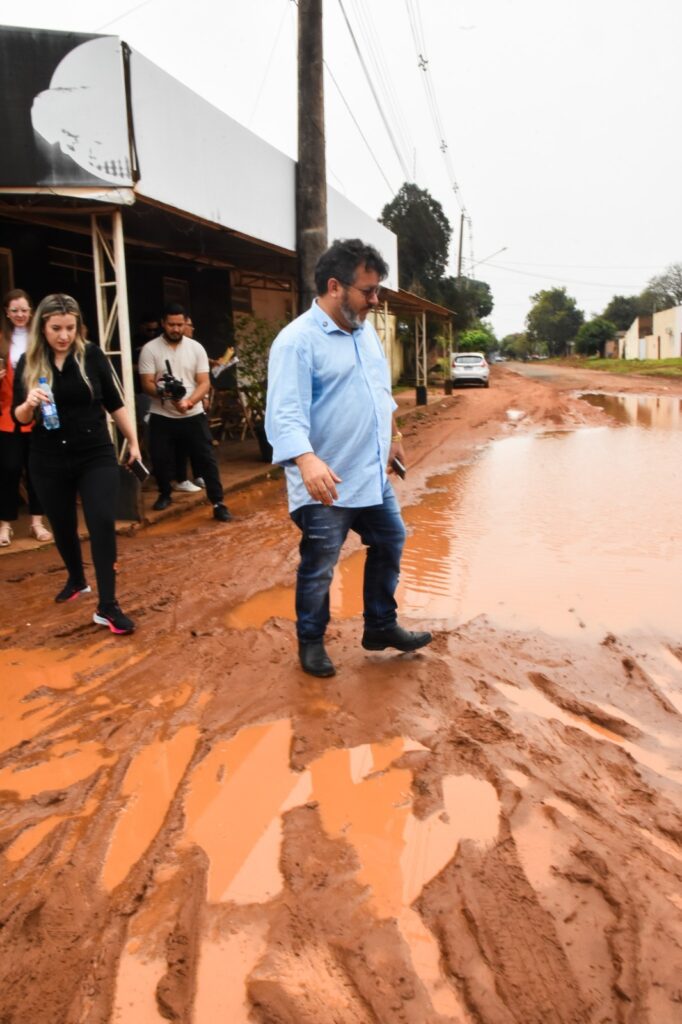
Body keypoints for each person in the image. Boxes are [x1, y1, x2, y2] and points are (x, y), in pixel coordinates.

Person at [265, 238, 432, 677]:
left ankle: (380, 625)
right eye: (368, 291)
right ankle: (311, 641)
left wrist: (394, 434)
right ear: (335, 286)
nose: (375, 300)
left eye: (377, 290)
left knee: (390, 540)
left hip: (371, 476)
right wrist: (305, 459)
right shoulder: (297, 342)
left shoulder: (365, 334)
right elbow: (284, 414)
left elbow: (380, 393)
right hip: (327, 482)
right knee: (320, 566)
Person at [12, 293, 139, 634]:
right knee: (63, 526)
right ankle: (76, 579)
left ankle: (108, 606)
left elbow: (115, 402)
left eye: (70, 328)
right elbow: (18, 416)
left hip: (94, 452)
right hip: (47, 456)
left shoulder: (92, 356)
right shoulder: (28, 361)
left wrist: (134, 442)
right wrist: (29, 403)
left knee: (100, 523)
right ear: (43, 326)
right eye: (56, 328)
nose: (64, 336)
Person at [138, 304, 231, 521]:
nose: (176, 329)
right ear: (163, 323)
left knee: (206, 459)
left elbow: (204, 382)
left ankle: (218, 502)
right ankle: (165, 493)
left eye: (180, 324)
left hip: (193, 413)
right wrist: (166, 393)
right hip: (162, 413)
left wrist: (189, 401)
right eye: (171, 324)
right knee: (160, 457)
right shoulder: (150, 349)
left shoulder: (196, 348)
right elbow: (146, 384)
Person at [0, 289, 53, 546]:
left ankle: (36, 522)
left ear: (31, 311)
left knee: (37, 471)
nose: (20, 315)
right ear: (7, 313)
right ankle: (5, 525)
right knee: (8, 470)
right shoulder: (0, 340)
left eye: (24, 310)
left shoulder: (41, 339)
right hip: (7, 415)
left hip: (39, 414)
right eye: (14, 310)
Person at [171, 314, 206, 493]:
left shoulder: (196, 348)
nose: (188, 328)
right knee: (183, 446)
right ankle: (181, 478)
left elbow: (202, 380)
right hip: (178, 406)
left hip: (195, 405)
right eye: (188, 325)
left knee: (200, 445)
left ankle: (200, 474)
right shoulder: (171, 350)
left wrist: (199, 399)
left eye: (186, 325)